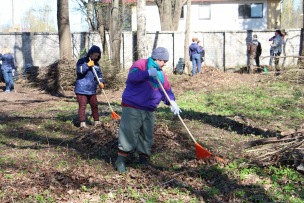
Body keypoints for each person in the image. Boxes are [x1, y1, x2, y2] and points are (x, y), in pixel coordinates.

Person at [115, 47, 181, 172]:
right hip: (133, 104)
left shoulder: (161, 73)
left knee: (147, 134)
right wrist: (147, 73)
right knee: (129, 132)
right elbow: (132, 77)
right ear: (157, 58)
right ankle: (121, 160)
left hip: (149, 108)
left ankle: (143, 159)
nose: (165, 64)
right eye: (163, 61)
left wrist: (172, 102)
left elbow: (166, 90)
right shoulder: (141, 64)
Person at [74, 45, 104, 129]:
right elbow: (79, 71)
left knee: (94, 105)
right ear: (90, 54)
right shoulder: (82, 61)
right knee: (82, 105)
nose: (96, 57)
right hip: (81, 88)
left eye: (98, 56)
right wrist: (87, 65)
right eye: (95, 55)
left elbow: (99, 75)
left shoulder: (96, 64)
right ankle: (82, 123)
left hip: (92, 89)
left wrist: (101, 82)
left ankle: (97, 121)